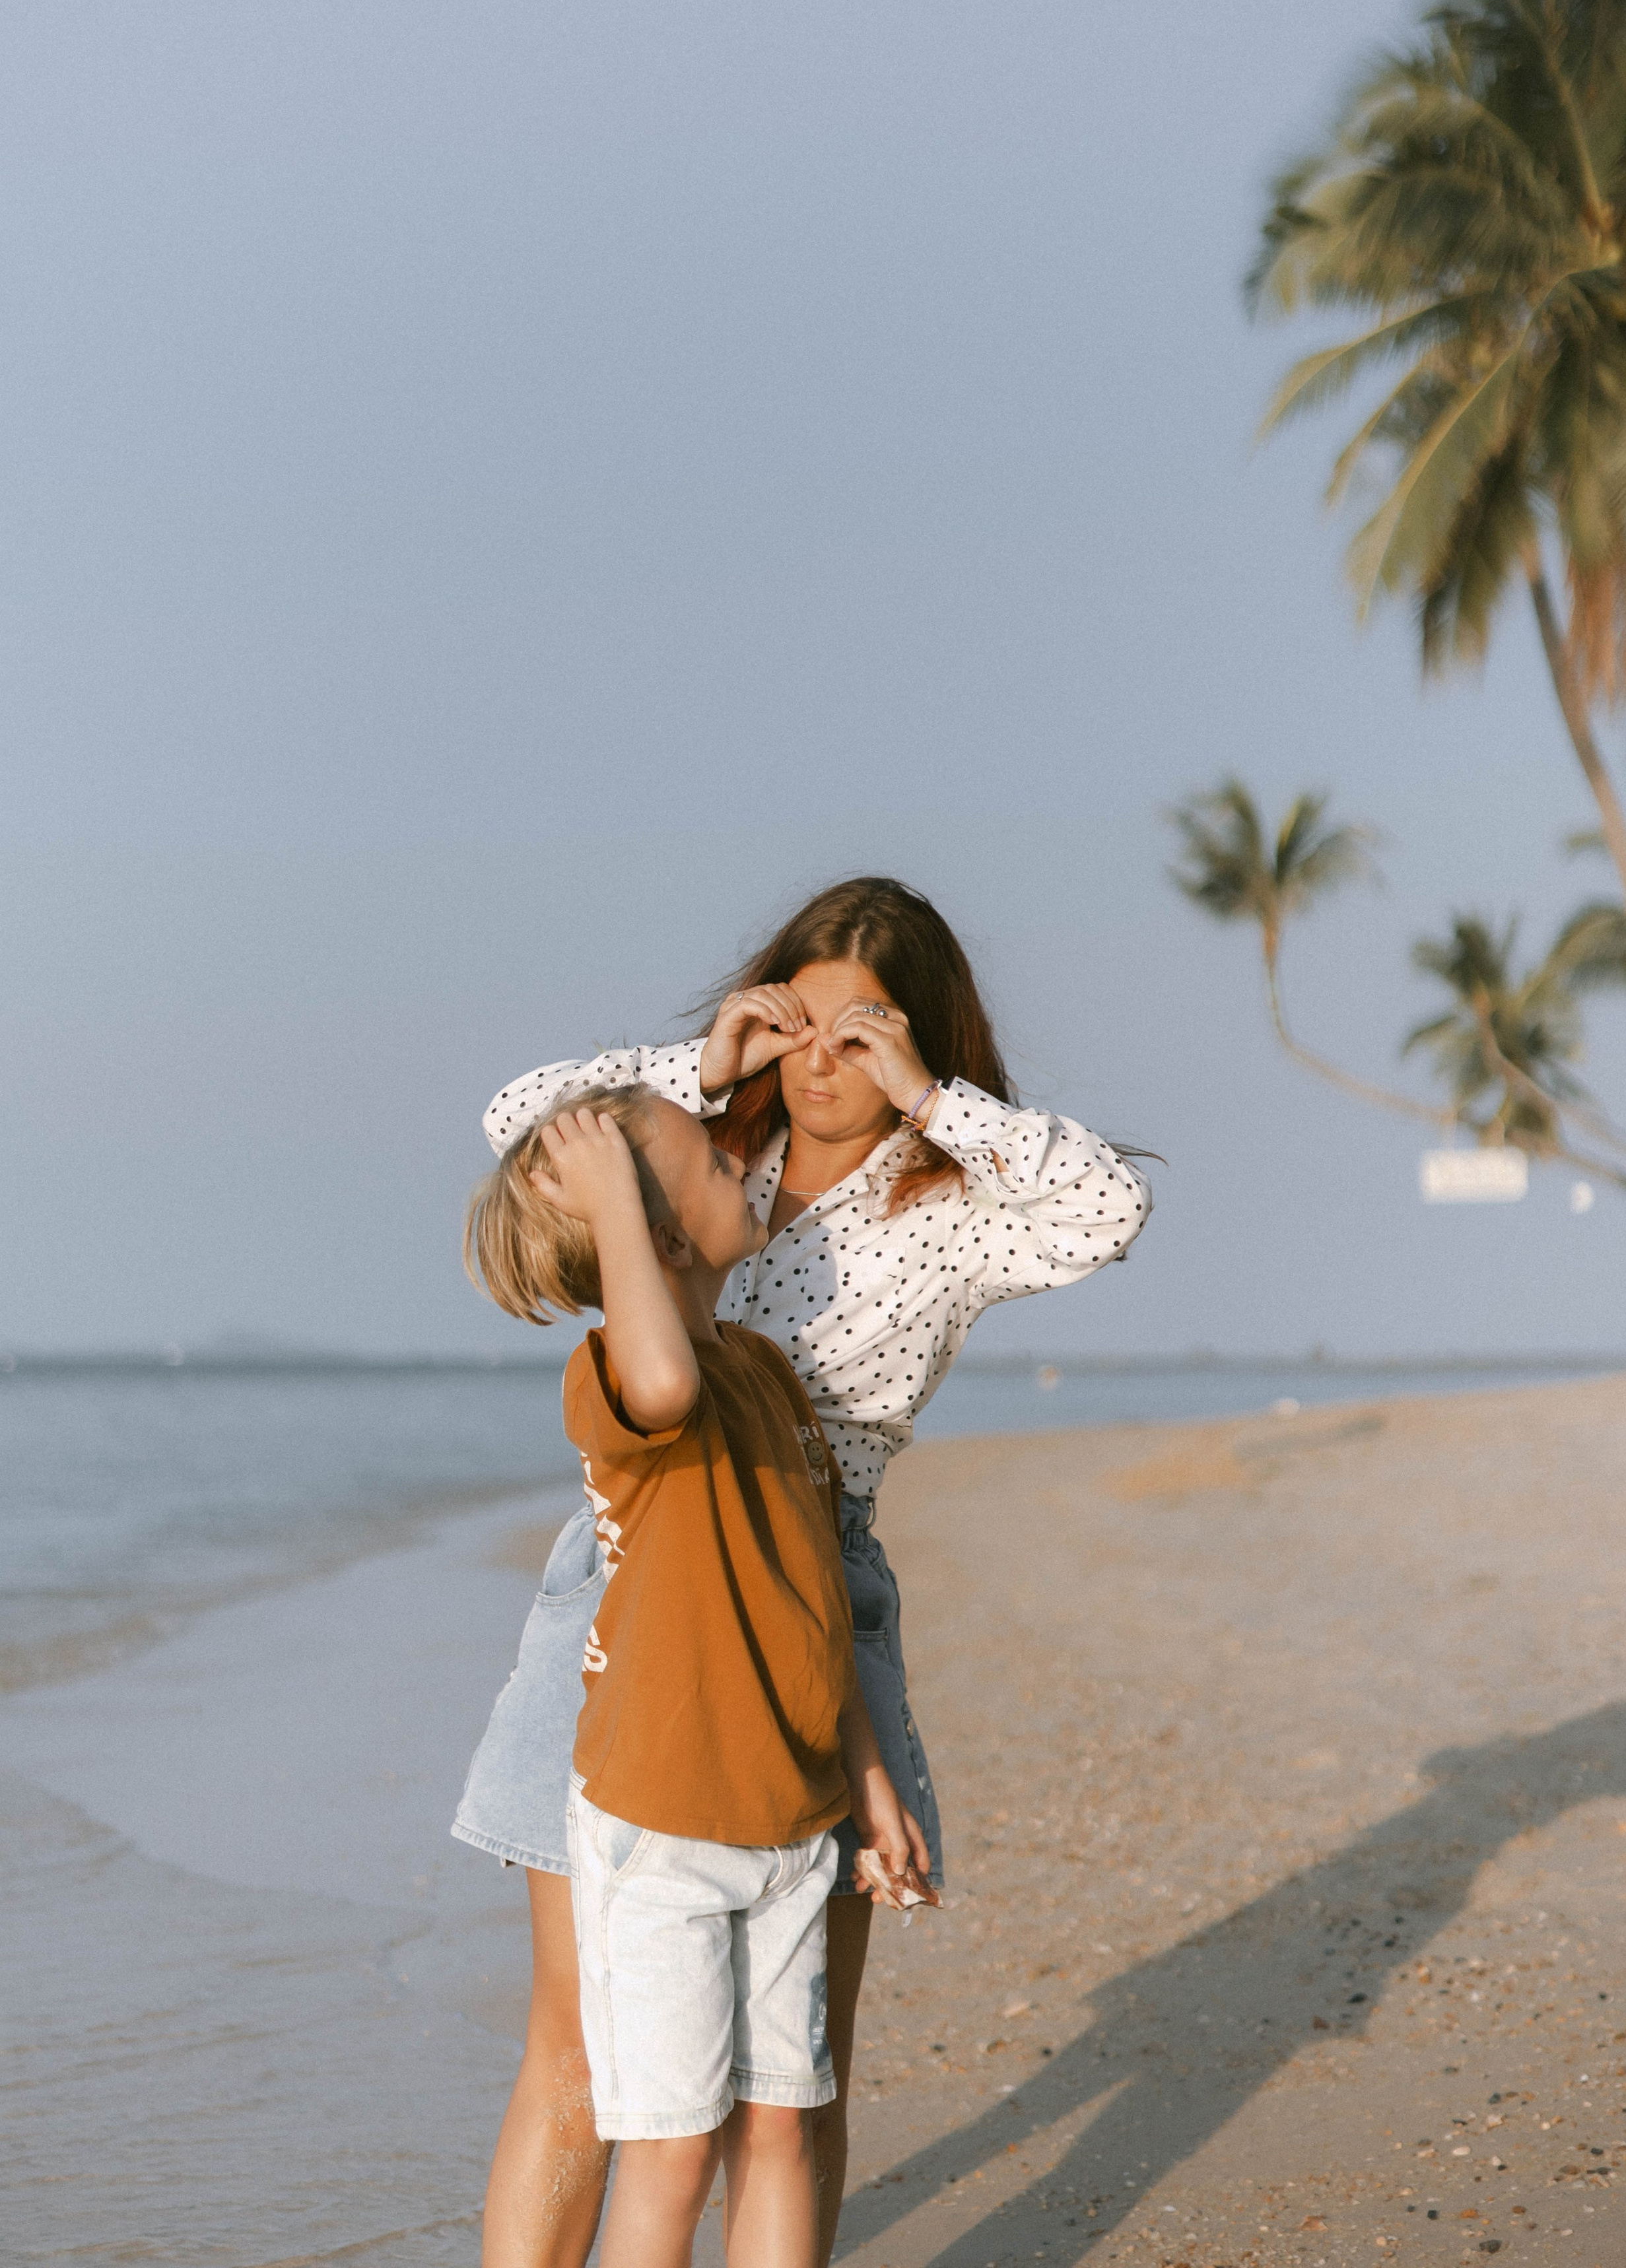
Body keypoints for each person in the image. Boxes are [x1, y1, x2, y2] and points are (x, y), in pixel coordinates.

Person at [456, 876, 1150, 2267]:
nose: (826, 1067)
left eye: (866, 1034)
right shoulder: (706, 1157)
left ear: (920, 1039)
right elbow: (517, 1119)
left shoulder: (954, 1204)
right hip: (629, 1570)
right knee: (581, 2046)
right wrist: (702, 1065)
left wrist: (928, 1095)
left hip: (813, 1587)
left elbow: (1105, 1211)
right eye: (805, 1028)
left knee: (791, 2075)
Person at [466, 1081, 916, 2268]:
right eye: (709, 1163)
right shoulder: (619, 1378)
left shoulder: (766, 1376)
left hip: (789, 1821)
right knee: (670, 2145)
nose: (741, 1162)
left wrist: (867, 1773)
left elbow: (817, 1606)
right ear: (652, 1234)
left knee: (777, 2125)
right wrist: (615, 1194)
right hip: (657, 1835)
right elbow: (662, 1378)